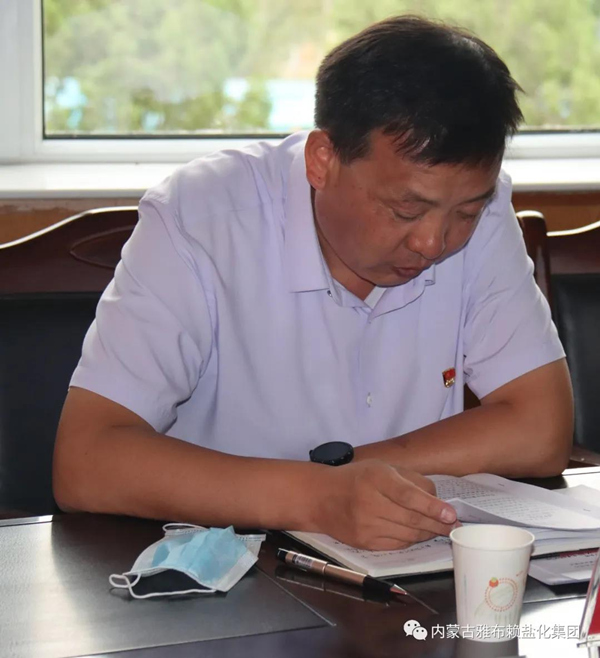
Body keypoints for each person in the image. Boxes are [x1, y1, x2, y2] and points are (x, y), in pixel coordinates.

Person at [53, 15, 573, 551]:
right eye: (405, 210)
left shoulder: (481, 212)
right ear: (322, 160)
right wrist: (317, 496)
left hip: (398, 568)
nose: (433, 243)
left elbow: (541, 428)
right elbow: (86, 459)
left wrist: (349, 478)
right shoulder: (202, 218)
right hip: (218, 569)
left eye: (464, 212)